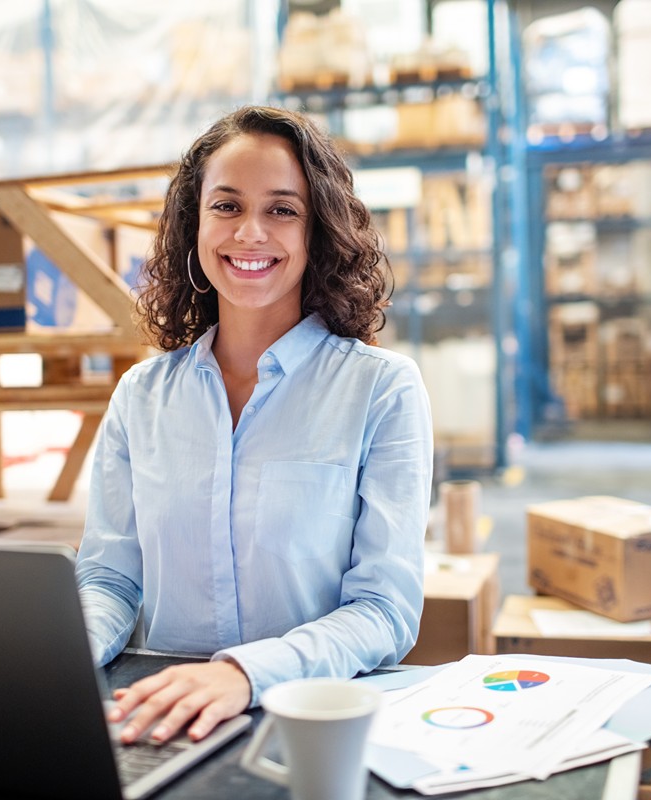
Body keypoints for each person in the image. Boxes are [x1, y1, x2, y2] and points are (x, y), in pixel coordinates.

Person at [76, 105, 432, 746]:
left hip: (312, 725)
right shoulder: (141, 396)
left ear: (316, 231)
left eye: (282, 210)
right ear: (194, 225)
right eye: (227, 206)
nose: (250, 233)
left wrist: (243, 674)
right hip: (163, 719)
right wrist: (62, 650)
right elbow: (109, 577)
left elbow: (385, 610)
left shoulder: (381, 389)